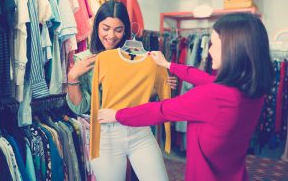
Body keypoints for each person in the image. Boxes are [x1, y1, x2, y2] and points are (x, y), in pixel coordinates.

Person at [97, 12, 274, 181]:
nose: (209, 51)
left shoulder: (213, 97)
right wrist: (168, 64)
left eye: (213, 44)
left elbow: (161, 110)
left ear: (233, 49)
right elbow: (205, 79)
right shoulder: (251, 91)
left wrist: (117, 115)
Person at [67, 0, 176, 181]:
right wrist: (73, 78)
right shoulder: (85, 60)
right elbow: (81, 108)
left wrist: (158, 87)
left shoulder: (140, 58)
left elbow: (144, 100)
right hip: (105, 137)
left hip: (140, 132)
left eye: (118, 29)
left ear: (125, 30)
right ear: (96, 27)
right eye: (106, 28)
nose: (111, 35)